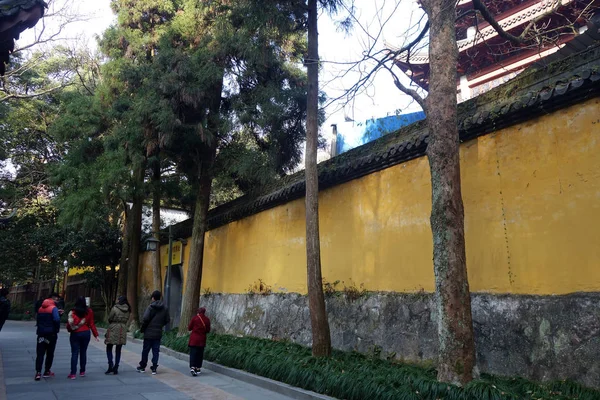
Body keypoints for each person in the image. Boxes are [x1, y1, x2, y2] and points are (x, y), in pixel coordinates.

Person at [136, 290, 170, 375]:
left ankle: (143, 366)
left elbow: (145, 318)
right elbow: (167, 320)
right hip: (158, 333)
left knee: (145, 350)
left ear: (153, 298)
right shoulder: (165, 308)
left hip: (148, 333)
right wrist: (160, 325)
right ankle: (154, 367)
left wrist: (143, 328)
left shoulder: (150, 307)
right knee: (156, 351)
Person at [67, 296, 99, 379]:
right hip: (85, 332)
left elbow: (69, 324)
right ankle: (82, 371)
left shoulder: (73, 311)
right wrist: (96, 334)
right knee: (83, 352)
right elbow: (92, 323)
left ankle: (73, 373)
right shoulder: (89, 311)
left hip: (75, 333)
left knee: (74, 353)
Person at [34, 298, 60, 380]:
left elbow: (38, 320)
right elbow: (56, 319)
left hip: (41, 333)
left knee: (40, 353)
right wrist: (56, 329)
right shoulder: (53, 308)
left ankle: (38, 372)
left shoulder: (40, 309)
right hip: (51, 334)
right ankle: (47, 370)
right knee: (50, 352)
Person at [104, 295, 131, 375]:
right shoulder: (128, 309)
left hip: (113, 327)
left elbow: (110, 318)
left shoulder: (115, 308)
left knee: (109, 346)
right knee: (118, 349)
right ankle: (116, 366)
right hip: (122, 329)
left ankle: (110, 364)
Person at [187, 307, 211, 376]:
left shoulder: (195, 318)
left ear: (198, 312)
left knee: (193, 353)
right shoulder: (207, 320)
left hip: (194, 339)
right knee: (200, 354)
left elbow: (189, 328)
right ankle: (198, 368)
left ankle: (192, 367)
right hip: (202, 339)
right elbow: (208, 330)